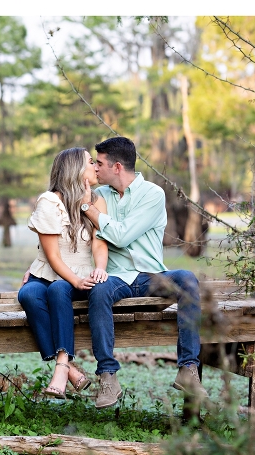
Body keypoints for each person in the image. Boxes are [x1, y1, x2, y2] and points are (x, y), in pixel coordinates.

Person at [79, 136, 208, 408]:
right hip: (115, 277)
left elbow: (123, 236)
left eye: (99, 163)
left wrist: (88, 209)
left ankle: (188, 369)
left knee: (186, 278)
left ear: (116, 167)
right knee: (98, 291)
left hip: (151, 275)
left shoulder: (152, 194)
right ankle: (107, 375)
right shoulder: (99, 195)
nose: (96, 168)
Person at [18, 147, 109, 399]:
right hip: (46, 272)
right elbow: (53, 257)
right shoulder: (49, 202)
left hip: (76, 274)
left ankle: (60, 368)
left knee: (59, 289)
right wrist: (76, 280)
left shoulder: (97, 201)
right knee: (28, 295)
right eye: (91, 162)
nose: (96, 167)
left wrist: (97, 269)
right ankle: (69, 368)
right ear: (76, 170)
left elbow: (100, 241)